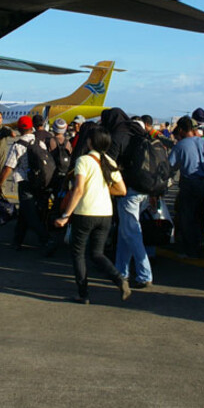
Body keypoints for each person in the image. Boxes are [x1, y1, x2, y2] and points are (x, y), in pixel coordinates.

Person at [53, 127, 132, 304]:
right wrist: (103, 189)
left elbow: (79, 189)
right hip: (105, 213)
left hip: (85, 213)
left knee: (78, 253)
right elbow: (122, 189)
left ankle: (83, 294)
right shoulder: (109, 161)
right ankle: (119, 279)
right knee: (97, 253)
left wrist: (66, 215)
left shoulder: (84, 160)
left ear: (90, 142)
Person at [101, 107, 153, 288]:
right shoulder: (139, 132)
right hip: (144, 188)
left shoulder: (119, 135)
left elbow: (109, 163)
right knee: (126, 232)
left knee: (131, 232)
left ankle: (145, 274)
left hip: (128, 190)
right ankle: (121, 271)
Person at [0, 116, 51, 250]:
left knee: (30, 215)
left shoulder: (18, 145)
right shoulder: (40, 142)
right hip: (38, 182)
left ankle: (47, 240)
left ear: (20, 128)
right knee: (25, 213)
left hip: (25, 183)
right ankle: (17, 241)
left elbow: (8, 166)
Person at [168, 116, 204, 258]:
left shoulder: (180, 145)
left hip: (189, 183)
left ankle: (190, 249)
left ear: (181, 130)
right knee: (201, 215)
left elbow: (170, 166)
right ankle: (202, 243)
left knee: (187, 216)